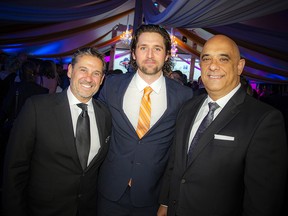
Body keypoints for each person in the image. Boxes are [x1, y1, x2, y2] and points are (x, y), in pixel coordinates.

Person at [158, 35, 288, 216]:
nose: (212, 66)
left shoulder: (264, 119)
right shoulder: (188, 107)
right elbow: (175, 162)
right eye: (206, 58)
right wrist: (165, 202)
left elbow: (263, 200)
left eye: (223, 59)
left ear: (239, 66)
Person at [1, 47, 112, 216]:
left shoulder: (105, 114)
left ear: (102, 79)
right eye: (83, 70)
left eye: (96, 73)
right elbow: (14, 169)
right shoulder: (37, 108)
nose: (89, 78)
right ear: (70, 71)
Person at [96, 24, 193, 216]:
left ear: (166, 55)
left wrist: (167, 199)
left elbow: (179, 152)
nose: (150, 55)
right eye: (143, 48)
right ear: (133, 53)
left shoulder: (184, 95)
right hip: (109, 192)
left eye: (157, 48)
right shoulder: (111, 86)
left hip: (152, 197)